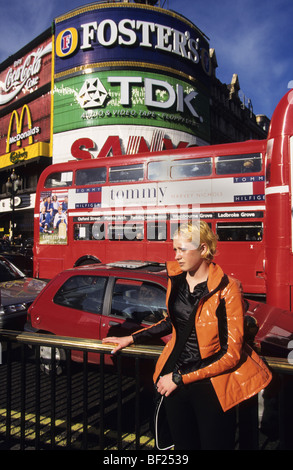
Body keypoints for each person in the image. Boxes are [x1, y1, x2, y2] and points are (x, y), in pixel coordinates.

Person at [102, 221, 272, 450]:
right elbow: (173, 321)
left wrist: (179, 377)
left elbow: (230, 353)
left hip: (210, 385)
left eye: (183, 249)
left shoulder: (227, 288)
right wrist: (131, 338)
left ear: (203, 249)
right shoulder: (177, 280)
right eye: (175, 249)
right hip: (174, 381)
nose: (177, 256)